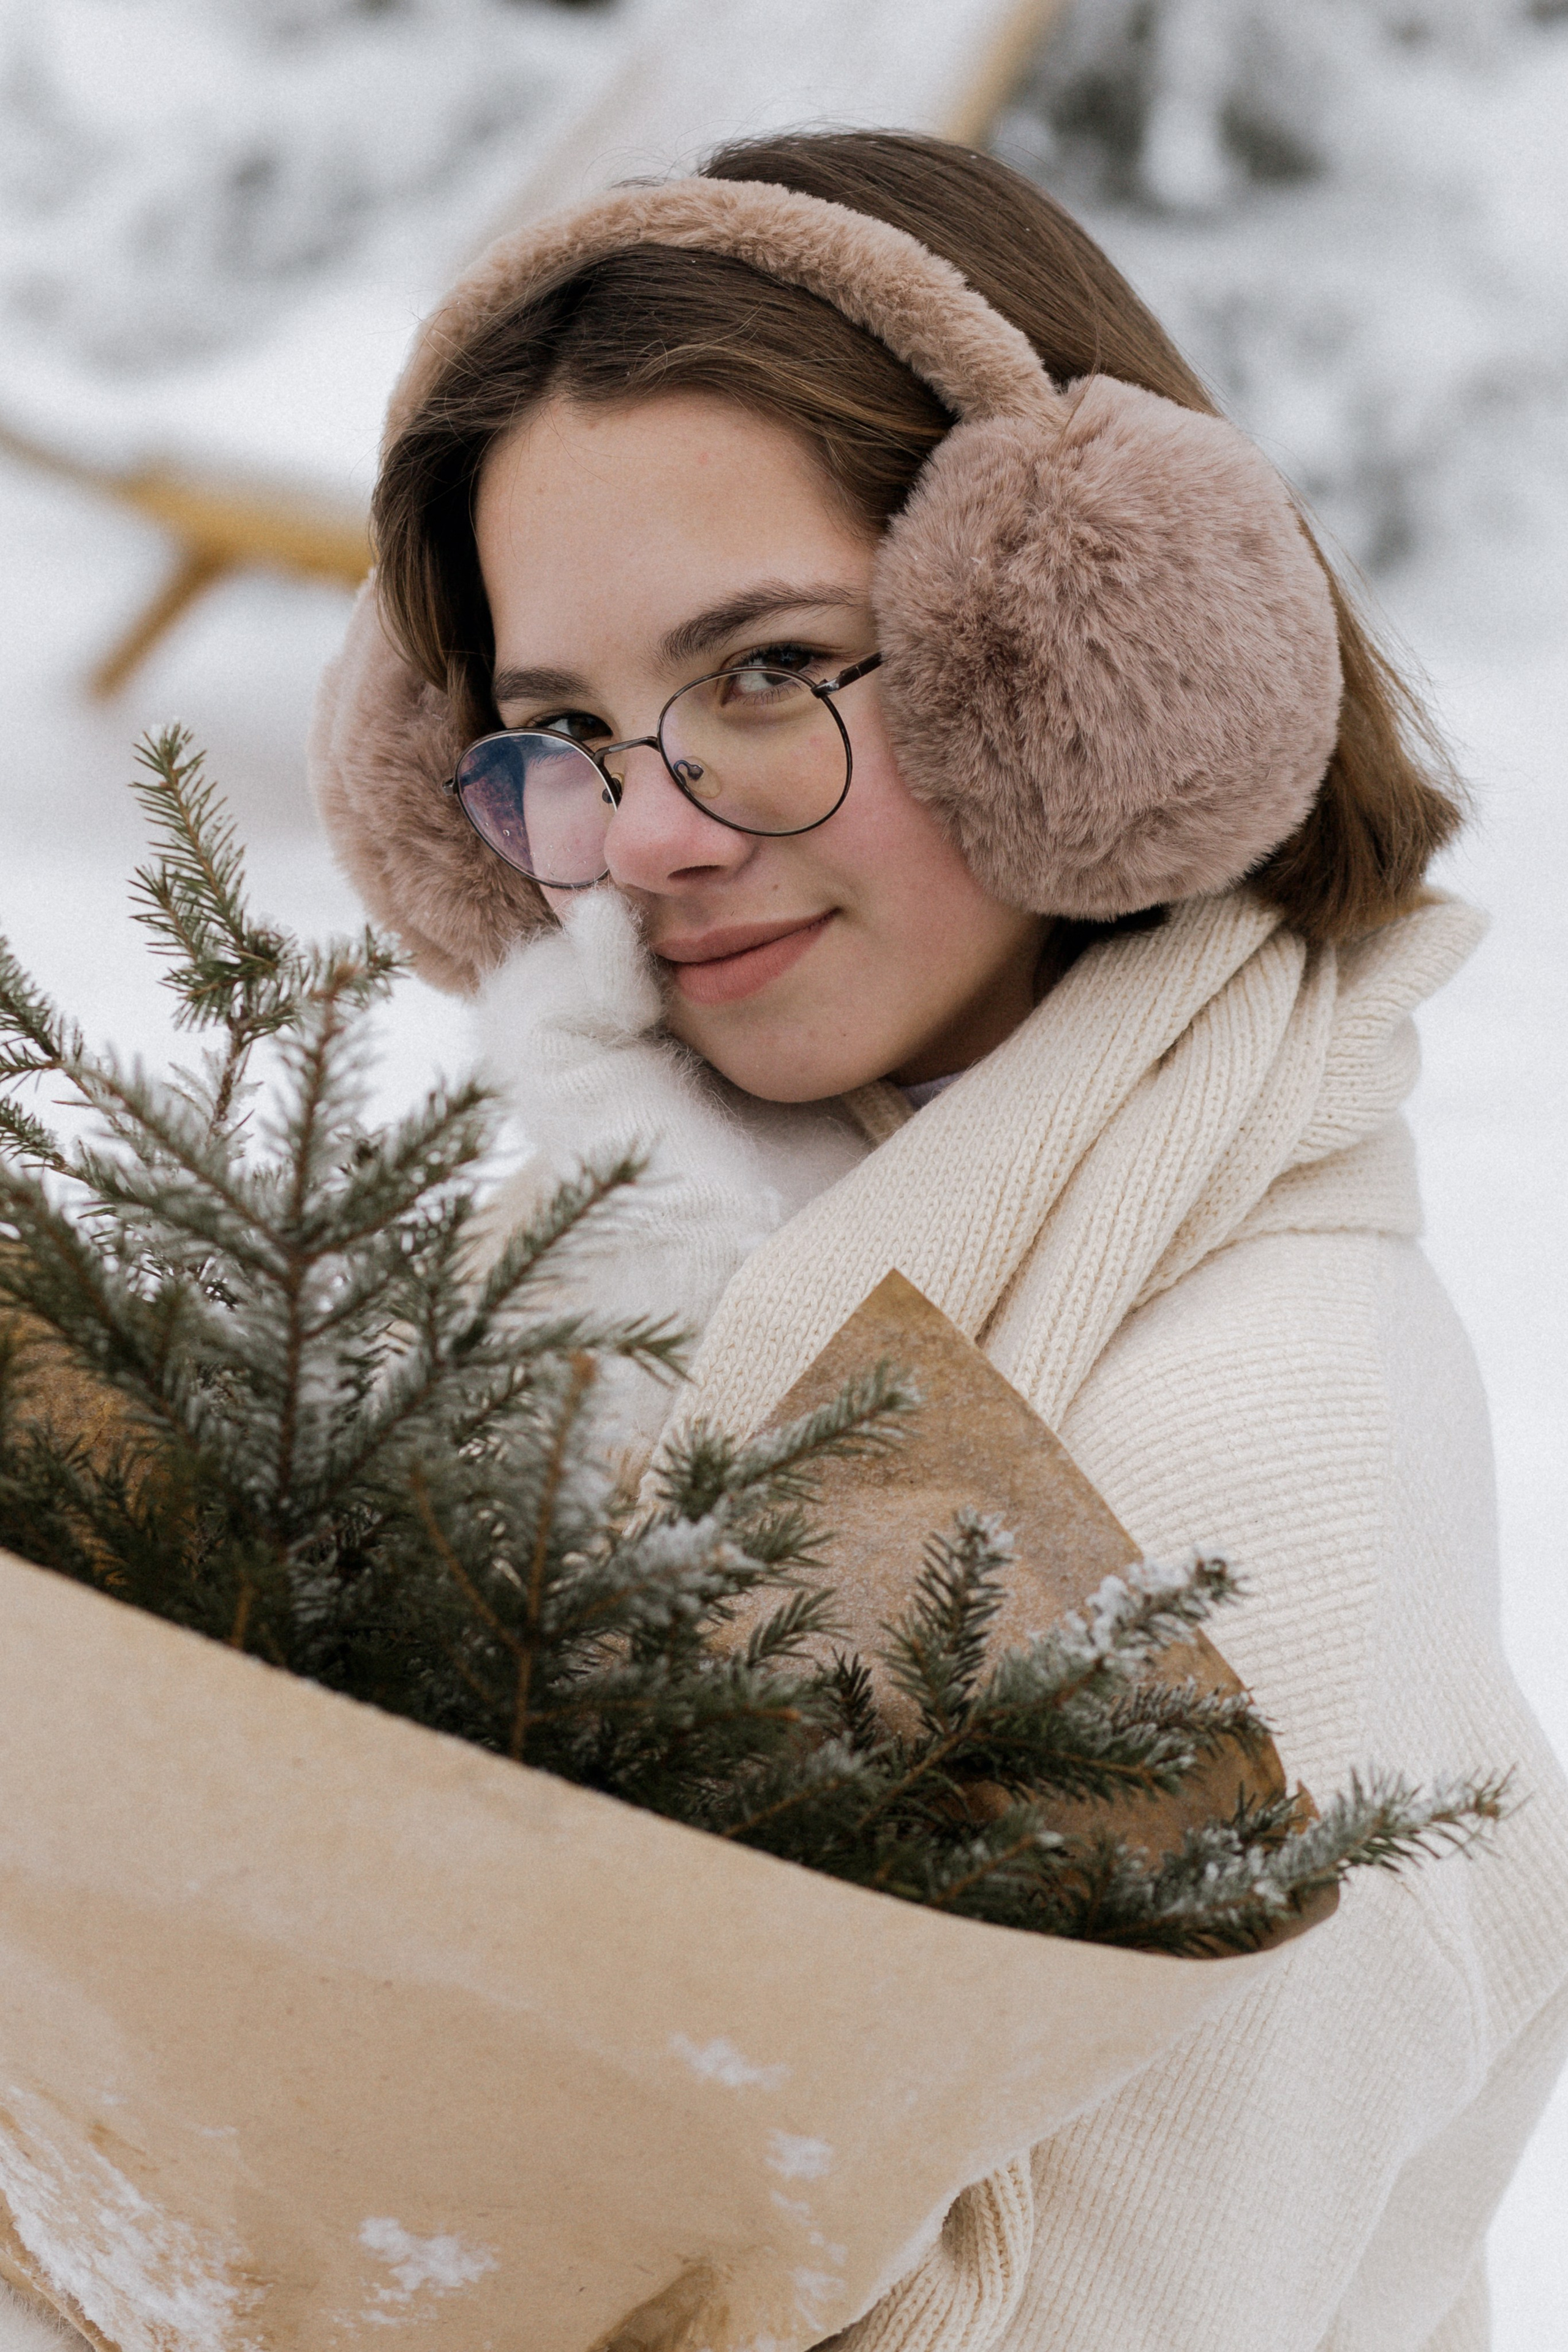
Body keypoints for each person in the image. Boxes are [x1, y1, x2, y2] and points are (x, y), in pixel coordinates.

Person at [309, 130, 1568, 2352]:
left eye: (771, 670)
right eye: (559, 735)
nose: (654, 836)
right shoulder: (635, 1239)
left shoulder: (1248, 1456)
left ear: (1085, 654)